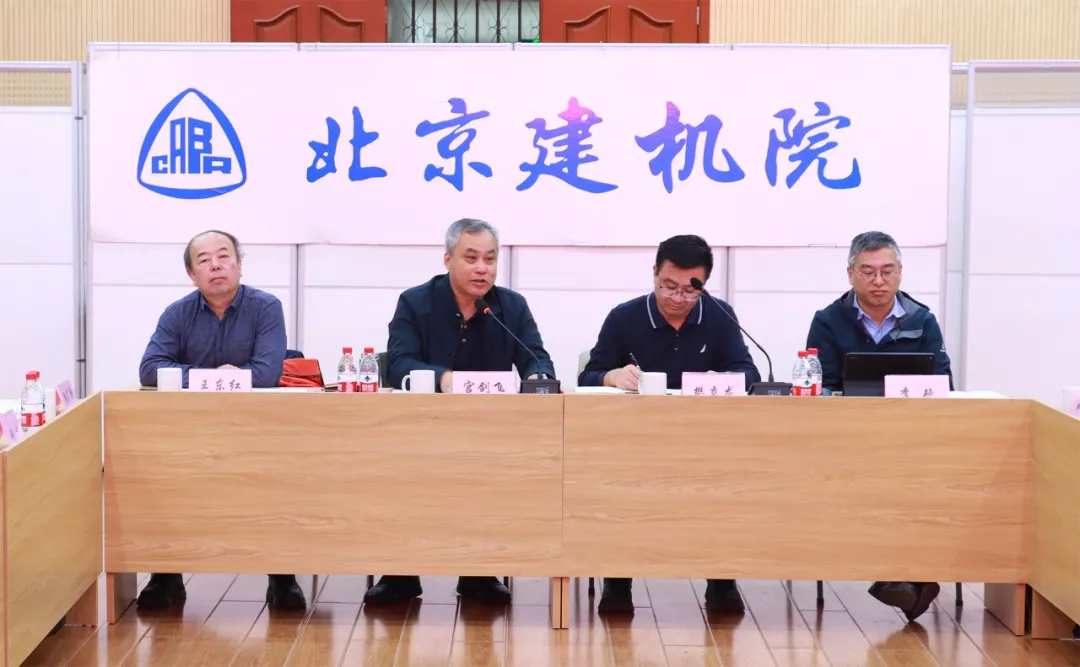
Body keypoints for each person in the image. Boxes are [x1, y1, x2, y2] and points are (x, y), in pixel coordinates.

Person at [373, 218, 556, 606]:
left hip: (490, 430)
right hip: (421, 427)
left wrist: (537, 375)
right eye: (471, 258)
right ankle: (400, 572)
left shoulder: (510, 306)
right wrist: (443, 379)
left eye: (490, 259)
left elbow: (536, 356)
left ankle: (480, 571)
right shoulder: (415, 302)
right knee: (398, 467)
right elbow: (399, 363)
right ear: (447, 260)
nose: (482, 268)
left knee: (496, 467)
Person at [578, 234, 761, 614]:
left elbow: (749, 373)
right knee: (618, 483)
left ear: (704, 284)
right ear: (655, 274)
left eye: (689, 290)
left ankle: (721, 579)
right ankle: (618, 580)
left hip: (705, 440)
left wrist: (718, 381)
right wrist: (612, 376)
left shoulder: (720, 315)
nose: (677, 297)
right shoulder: (624, 317)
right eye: (668, 286)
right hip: (636, 441)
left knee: (729, 481)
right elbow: (588, 376)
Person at [135, 230, 306, 612]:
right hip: (191, 431)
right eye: (204, 260)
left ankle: (282, 575)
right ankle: (165, 574)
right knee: (160, 476)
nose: (216, 265)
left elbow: (266, 373)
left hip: (258, 430)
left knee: (280, 478)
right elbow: (150, 368)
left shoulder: (266, 307)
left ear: (239, 265)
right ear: (191, 274)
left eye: (224, 256)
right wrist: (208, 377)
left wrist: (215, 377)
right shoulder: (177, 313)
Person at [806, 230, 952, 622]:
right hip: (847, 438)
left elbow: (942, 383)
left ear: (900, 272)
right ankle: (906, 576)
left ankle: (902, 574)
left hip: (909, 438)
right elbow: (821, 385)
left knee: (922, 478)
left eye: (887, 271)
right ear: (850, 274)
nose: (878, 280)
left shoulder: (922, 320)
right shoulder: (828, 321)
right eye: (868, 271)